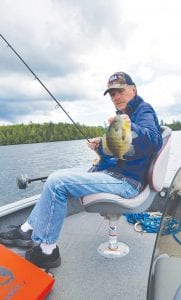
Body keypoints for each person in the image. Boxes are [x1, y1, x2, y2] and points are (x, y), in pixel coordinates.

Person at [0, 72, 162, 269]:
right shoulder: (122, 115)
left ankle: (47, 252)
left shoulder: (143, 111)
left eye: (120, 90)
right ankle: (27, 229)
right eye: (112, 94)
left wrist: (130, 125)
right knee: (56, 177)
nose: (116, 96)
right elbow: (119, 152)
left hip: (128, 183)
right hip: (114, 173)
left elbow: (154, 141)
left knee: (57, 182)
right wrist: (100, 145)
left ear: (133, 89)